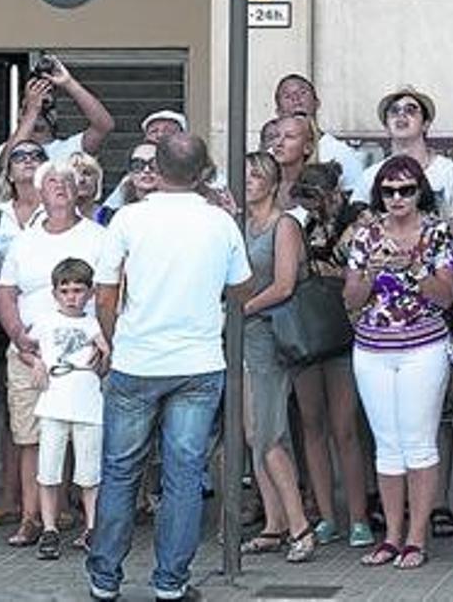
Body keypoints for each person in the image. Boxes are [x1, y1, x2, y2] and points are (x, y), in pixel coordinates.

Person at [86, 134, 252, 601]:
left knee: (120, 470)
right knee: (184, 472)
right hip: (198, 362)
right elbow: (242, 290)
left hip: (137, 359)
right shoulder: (219, 223)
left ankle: (104, 578)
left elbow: (104, 293)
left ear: (155, 170)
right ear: (203, 173)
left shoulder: (129, 218)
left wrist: (116, 340)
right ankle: (171, 582)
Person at [344, 155, 453, 570]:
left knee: (419, 441)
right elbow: (351, 300)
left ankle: (417, 537)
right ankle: (391, 536)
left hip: (422, 347)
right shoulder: (365, 236)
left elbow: (445, 296)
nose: (397, 198)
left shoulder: (438, 234)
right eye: (389, 190)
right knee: (387, 446)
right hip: (372, 348)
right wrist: (373, 273)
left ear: (419, 191)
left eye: (406, 189)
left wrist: (411, 266)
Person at [0, 159, 106, 549]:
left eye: (68, 181)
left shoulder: (98, 236)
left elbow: (113, 293)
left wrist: (105, 344)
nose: (60, 186)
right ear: (39, 191)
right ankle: (33, 518)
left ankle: (80, 516)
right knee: (30, 437)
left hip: (81, 354)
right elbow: (5, 292)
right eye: (52, 181)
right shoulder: (25, 240)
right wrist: (19, 336)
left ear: (80, 190)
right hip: (31, 351)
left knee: (82, 437)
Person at [287, 162, 372, 549]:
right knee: (311, 425)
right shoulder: (303, 226)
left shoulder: (359, 218)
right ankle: (325, 514)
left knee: (345, 427)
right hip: (309, 331)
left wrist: (320, 268)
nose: (311, 204)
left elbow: (360, 270)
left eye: (315, 195)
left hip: (345, 330)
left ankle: (358, 517)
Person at [237, 152, 316, 563]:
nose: (249, 180)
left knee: (270, 435)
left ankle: (300, 525)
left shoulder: (284, 225)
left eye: (257, 174)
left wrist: (241, 310)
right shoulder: (241, 224)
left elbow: (284, 285)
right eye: (245, 173)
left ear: (273, 182)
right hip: (244, 339)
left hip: (268, 335)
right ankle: (274, 523)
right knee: (253, 433)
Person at [0, 139, 47, 530]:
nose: (28, 162)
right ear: (8, 169)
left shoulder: (56, 209)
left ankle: (55, 500)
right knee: (12, 413)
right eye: (20, 157)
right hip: (4, 314)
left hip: (48, 312)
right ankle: (9, 497)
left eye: (37, 157)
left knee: (56, 409)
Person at [29, 257, 109, 559]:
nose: (72, 296)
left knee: (89, 471)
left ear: (88, 293)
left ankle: (92, 527)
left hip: (87, 401)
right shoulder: (46, 321)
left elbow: (107, 350)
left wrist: (104, 356)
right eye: (65, 290)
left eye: (78, 290)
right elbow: (24, 346)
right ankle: (49, 528)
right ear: (55, 293)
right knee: (48, 469)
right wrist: (36, 361)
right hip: (54, 400)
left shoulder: (93, 323)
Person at [352, 87, 453, 219]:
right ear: (386, 128)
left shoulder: (448, 172)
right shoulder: (369, 176)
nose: (401, 115)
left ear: (426, 124)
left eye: (410, 110)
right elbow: (355, 225)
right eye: (394, 111)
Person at [0, 55, 114, 166]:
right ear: (20, 113)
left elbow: (104, 126)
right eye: (29, 105)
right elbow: (8, 164)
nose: (40, 109)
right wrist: (32, 109)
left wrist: (68, 83)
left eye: (46, 104)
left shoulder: (72, 149)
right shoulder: (5, 149)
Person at [273, 74, 364, 193]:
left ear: (317, 103)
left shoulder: (341, 153)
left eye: (302, 93)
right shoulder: (272, 155)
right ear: (278, 111)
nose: (296, 100)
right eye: (287, 96)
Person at [98, 143, 159, 225]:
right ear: (130, 173)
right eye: (138, 165)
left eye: (154, 164)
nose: (147, 170)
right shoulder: (115, 217)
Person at [70, 152, 105, 223]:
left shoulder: (110, 217)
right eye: (74, 175)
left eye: (87, 174)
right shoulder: (58, 217)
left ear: (97, 180)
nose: (81, 179)